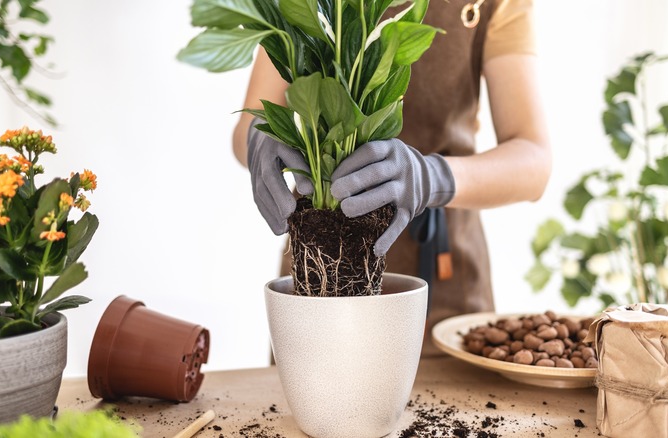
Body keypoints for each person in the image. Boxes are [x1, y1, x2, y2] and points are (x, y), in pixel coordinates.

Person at [232, 0, 550, 355]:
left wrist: (430, 177)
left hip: (443, 284)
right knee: (313, 399)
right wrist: (259, 134)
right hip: (318, 279)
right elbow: (250, 119)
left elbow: (534, 160)